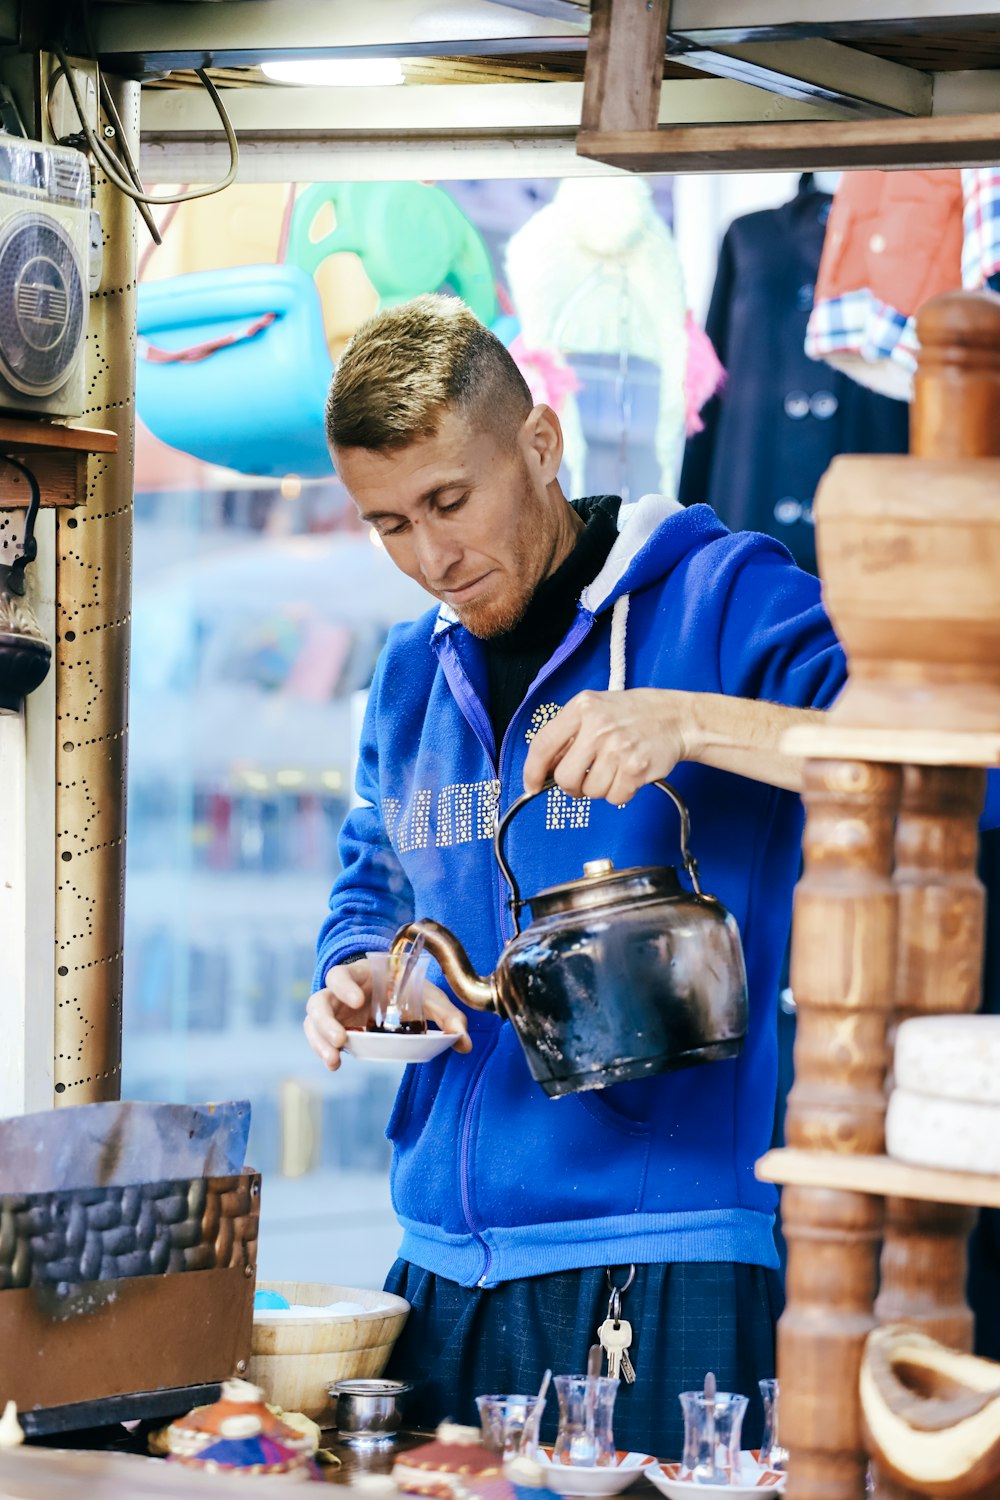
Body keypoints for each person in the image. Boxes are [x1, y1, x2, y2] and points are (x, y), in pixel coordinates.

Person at [305, 294, 846, 1458]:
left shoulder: (722, 597)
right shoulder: (407, 676)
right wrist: (357, 973)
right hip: (439, 1271)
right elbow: (374, 885)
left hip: (675, 1248)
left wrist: (692, 721)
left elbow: (946, 762)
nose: (432, 556)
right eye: (388, 523)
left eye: (451, 501)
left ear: (540, 446)